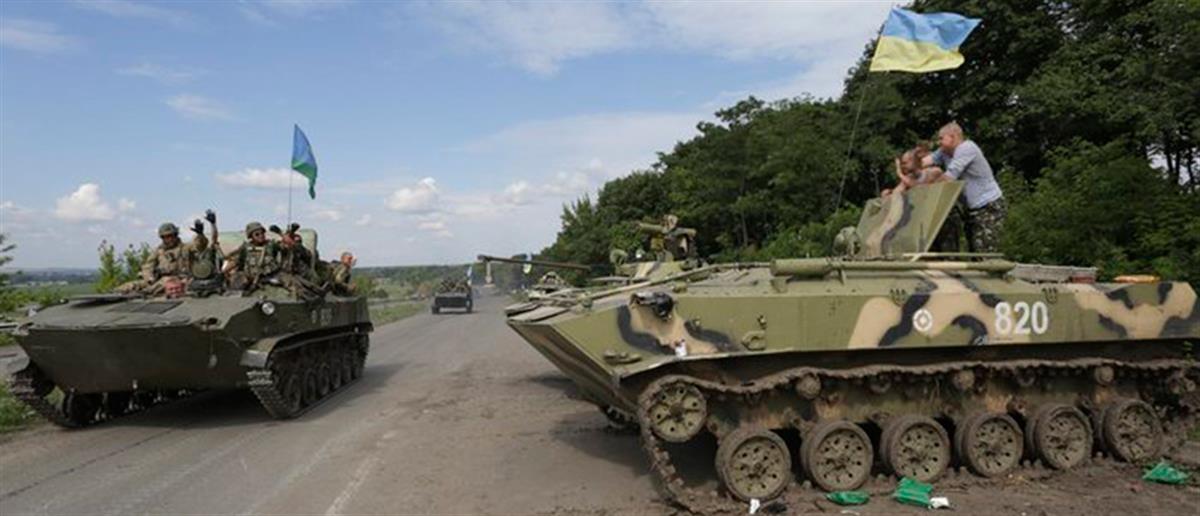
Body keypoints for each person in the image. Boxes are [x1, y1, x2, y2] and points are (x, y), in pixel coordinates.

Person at [923, 122, 1006, 252]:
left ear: (953, 137)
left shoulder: (966, 148)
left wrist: (925, 186)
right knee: (973, 251)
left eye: (941, 138)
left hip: (987, 206)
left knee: (984, 251)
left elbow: (949, 178)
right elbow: (924, 162)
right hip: (971, 209)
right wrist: (907, 165)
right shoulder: (944, 152)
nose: (939, 142)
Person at [117, 220, 209, 295]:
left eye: (171, 236)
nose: (169, 239)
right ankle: (114, 293)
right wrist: (149, 278)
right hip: (159, 281)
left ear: (176, 235)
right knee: (131, 285)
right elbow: (147, 266)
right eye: (165, 237)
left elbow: (201, 246)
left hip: (183, 280)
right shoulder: (158, 251)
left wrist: (200, 235)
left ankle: (147, 292)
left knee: (165, 281)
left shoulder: (186, 247)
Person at [223, 221, 281, 290]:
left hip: (271, 278)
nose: (261, 236)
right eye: (257, 234)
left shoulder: (271, 245)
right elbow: (236, 261)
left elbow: (286, 245)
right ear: (251, 236)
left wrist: (281, 234)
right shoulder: (246, 248)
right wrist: (224, 272)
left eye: (262, 233)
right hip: (251, 280)